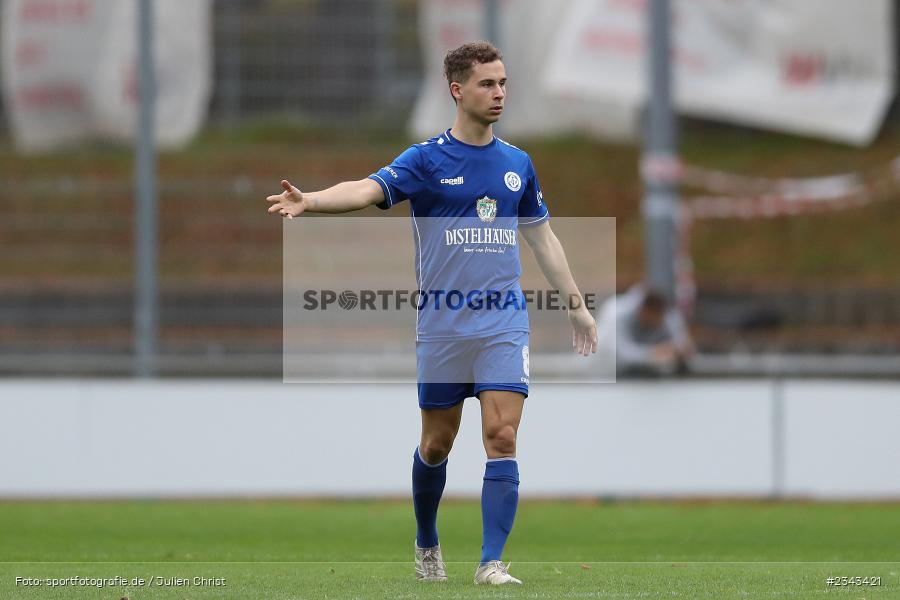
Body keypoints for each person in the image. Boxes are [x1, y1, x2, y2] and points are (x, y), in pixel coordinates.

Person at [266, 41, 597, 585]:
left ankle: (491, 563)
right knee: (437, 444)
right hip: (443, 325)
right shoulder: (425, 160)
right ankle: (426, 541)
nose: (499, 93)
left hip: (503, 321)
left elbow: (543, 239)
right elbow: (367, 189)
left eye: (503, 83)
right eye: (487, 84)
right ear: (457, 90)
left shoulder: (518, 164)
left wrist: (577, 306)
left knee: (502, 436)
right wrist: (313, 201)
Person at [596, 284, 693, 377]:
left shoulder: (668, 315)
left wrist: (677, 351)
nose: (654, 322)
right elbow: (621, 355)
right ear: (642, 311)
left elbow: (684, 346)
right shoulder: (616, 313)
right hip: (605, 374)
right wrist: (654, 353)